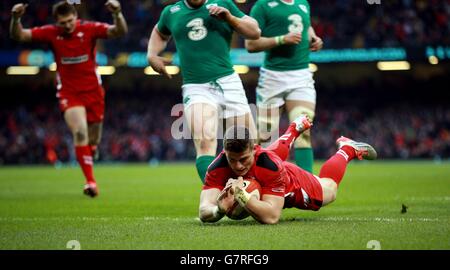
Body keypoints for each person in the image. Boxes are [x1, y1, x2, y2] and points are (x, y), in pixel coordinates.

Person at [10, 1, 128, 197]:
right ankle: (90, 182)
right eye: (63, 23)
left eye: (70, 21)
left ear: (76, 17)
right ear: (56, 22)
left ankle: (92, 149)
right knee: (80, 132)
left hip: (93, 92)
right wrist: (15, 18)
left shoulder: (89, 28)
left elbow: (119, 31)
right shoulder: (50, 32)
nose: (67, 26)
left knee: (93, 138)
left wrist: (117, 13)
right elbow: (19, 35)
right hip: (69, 92)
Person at [147, 0, 261, 183]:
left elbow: (255, 31)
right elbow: (159, 33)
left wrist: (230, 18)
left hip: (228, 82)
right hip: (196, 87)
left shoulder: (223, 3)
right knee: (205, 141)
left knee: (249, 144)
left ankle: (254, 192)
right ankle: (218, 195)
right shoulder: (171, 12)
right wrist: (152, 55)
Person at [198, 115, 377, 224]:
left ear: (254, 148)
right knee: (266, 159)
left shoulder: (270, 165)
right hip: (263, 167)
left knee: (329, 190)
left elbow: (272, 216)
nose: (237, 166)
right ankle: (293, 130)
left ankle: (347, 149)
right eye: (232, 160)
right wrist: (219, 211)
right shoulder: (217, 167)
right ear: (225, 154)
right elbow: (204, 209)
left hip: (291, 184)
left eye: (243, 159)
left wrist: (242, 196)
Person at [245, 0, 323, 173]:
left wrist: (314, 38)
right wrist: (281, 39)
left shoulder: (303, 3)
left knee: (303, 132)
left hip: (301, 75)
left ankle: (307, 190)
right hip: (272, 77)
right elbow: (251, 45)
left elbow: (307, 26)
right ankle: (266, 181)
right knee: (266, 136)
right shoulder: (262, 6)